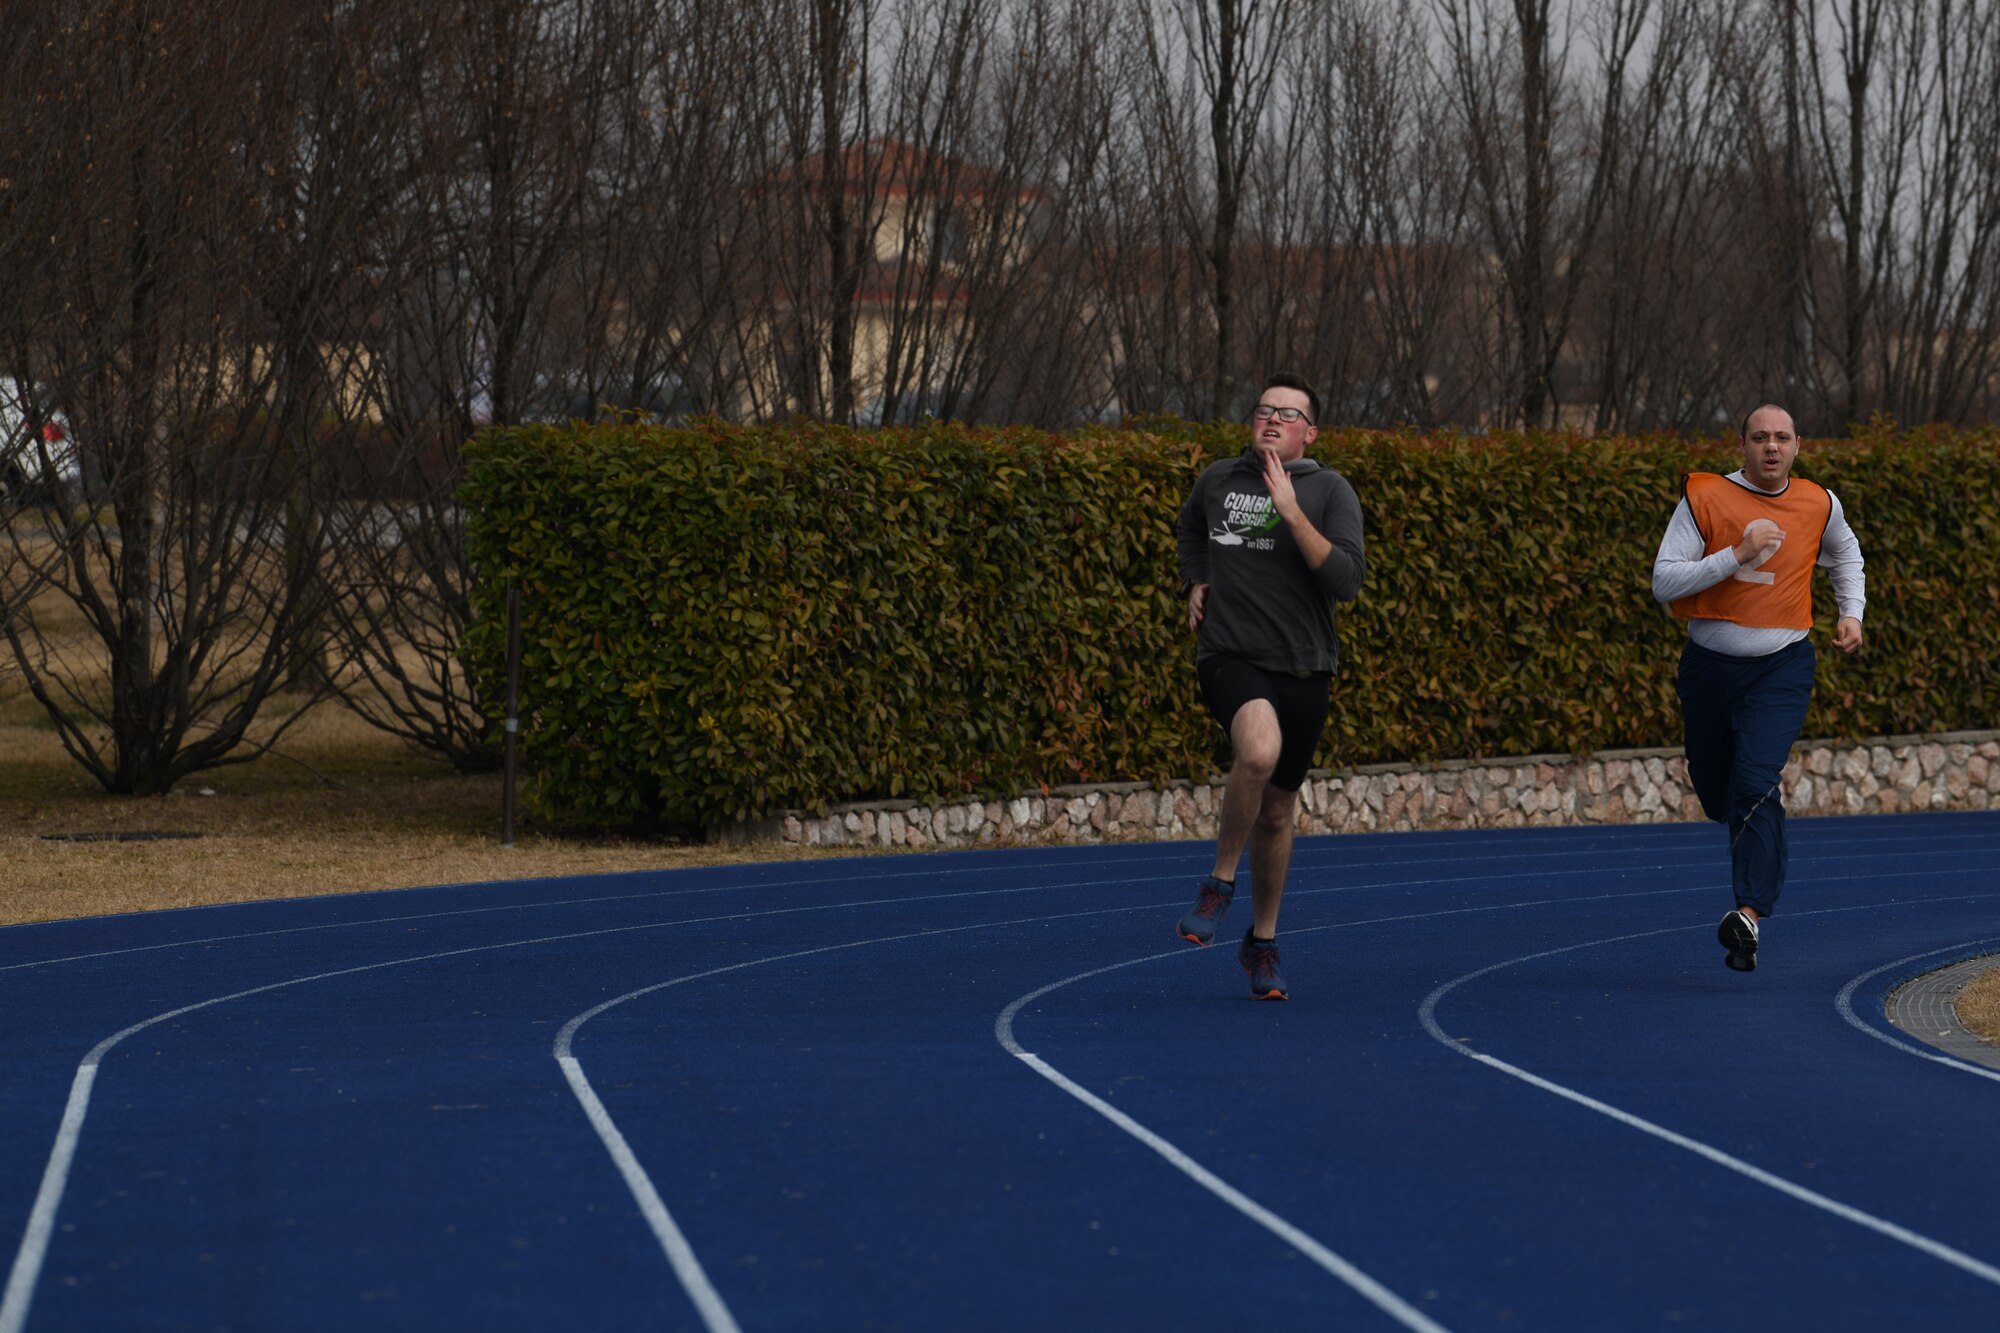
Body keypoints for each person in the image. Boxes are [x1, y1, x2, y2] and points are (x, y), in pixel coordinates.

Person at [1172, 372, 1366, 998]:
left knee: (1279, 811)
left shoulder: (1330, 491)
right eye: (1264, 410)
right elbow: (1188, 529)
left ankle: (1262, 943)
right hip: (1230, 654)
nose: (1272, 420)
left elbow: (1346, 580)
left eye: (1288, 414)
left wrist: (1290, 513)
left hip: (1306, 664)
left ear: (1310, 433)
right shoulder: (1219, 479)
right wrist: (1195, 580)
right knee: (1257, 749)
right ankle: (1219, 882)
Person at [1652, 404, 1865, 972]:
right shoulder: (1704, 498)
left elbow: (1845, 553)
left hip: (1782, 665)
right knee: (1717, 789)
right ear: (1741, 445)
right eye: (1760, 438)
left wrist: (1853, 613)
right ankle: (1742, 838)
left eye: (1782, 438)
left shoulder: (1820, 502)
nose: (1772, 447)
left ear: (1798, 444)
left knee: (1755, 781)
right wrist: (1737, 555)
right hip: (1709, 669)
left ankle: (1747, 914)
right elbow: (1663, 581)